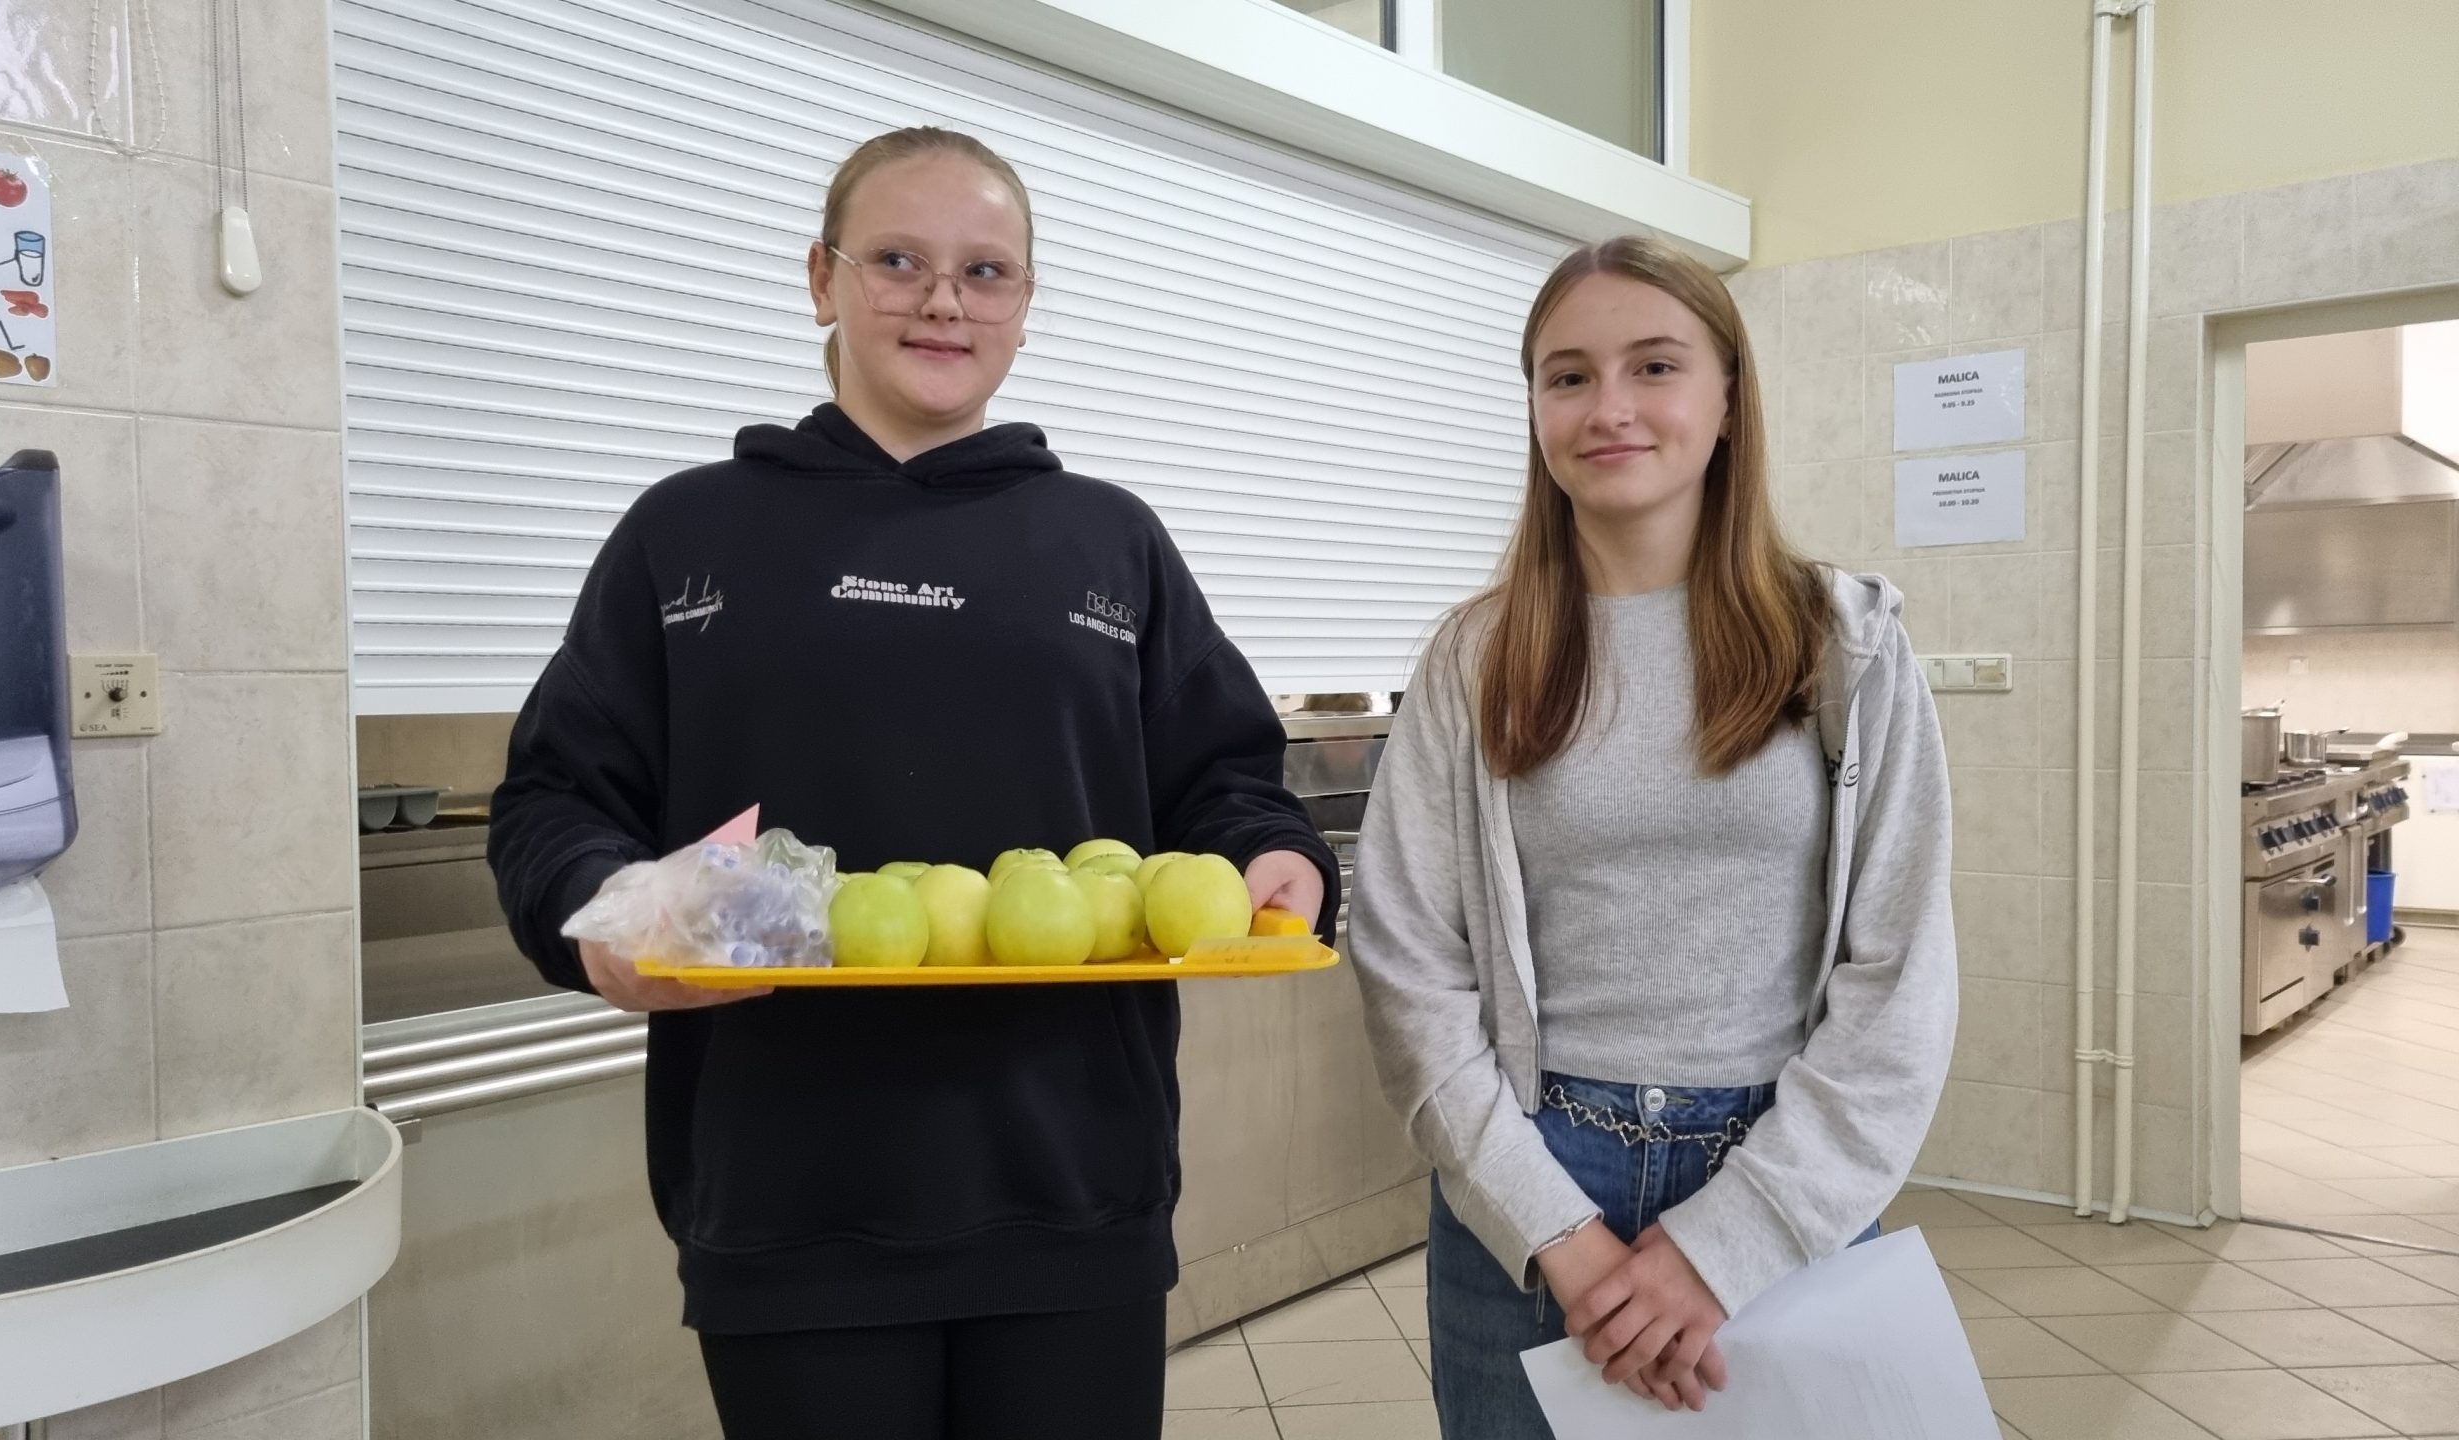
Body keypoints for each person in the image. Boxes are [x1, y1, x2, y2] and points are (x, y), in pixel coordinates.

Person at [487, 125, 1337, 1440]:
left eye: (985, 271)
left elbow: (1224, 782)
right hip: (785, 1204)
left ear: (1025, 303)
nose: (944, 300)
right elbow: (555, 801)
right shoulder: (685, 533)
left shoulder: (1110, 543)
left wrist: (1277, 856)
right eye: (897, 260)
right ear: (819, 279)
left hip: (1075, 1193)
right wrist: (600, 912)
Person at [1347, 235, 1958, 1434]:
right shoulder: (1476, 659)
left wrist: (1732, 1241)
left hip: (1786, 1169)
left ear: (1728, 399)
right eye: (1567, 376)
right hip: (1529, 1177)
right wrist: (1555, 1233)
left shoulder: (1845, 645)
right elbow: (1407, 963)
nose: (1608, 408)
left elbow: (1900, 977)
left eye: (1655, 366)